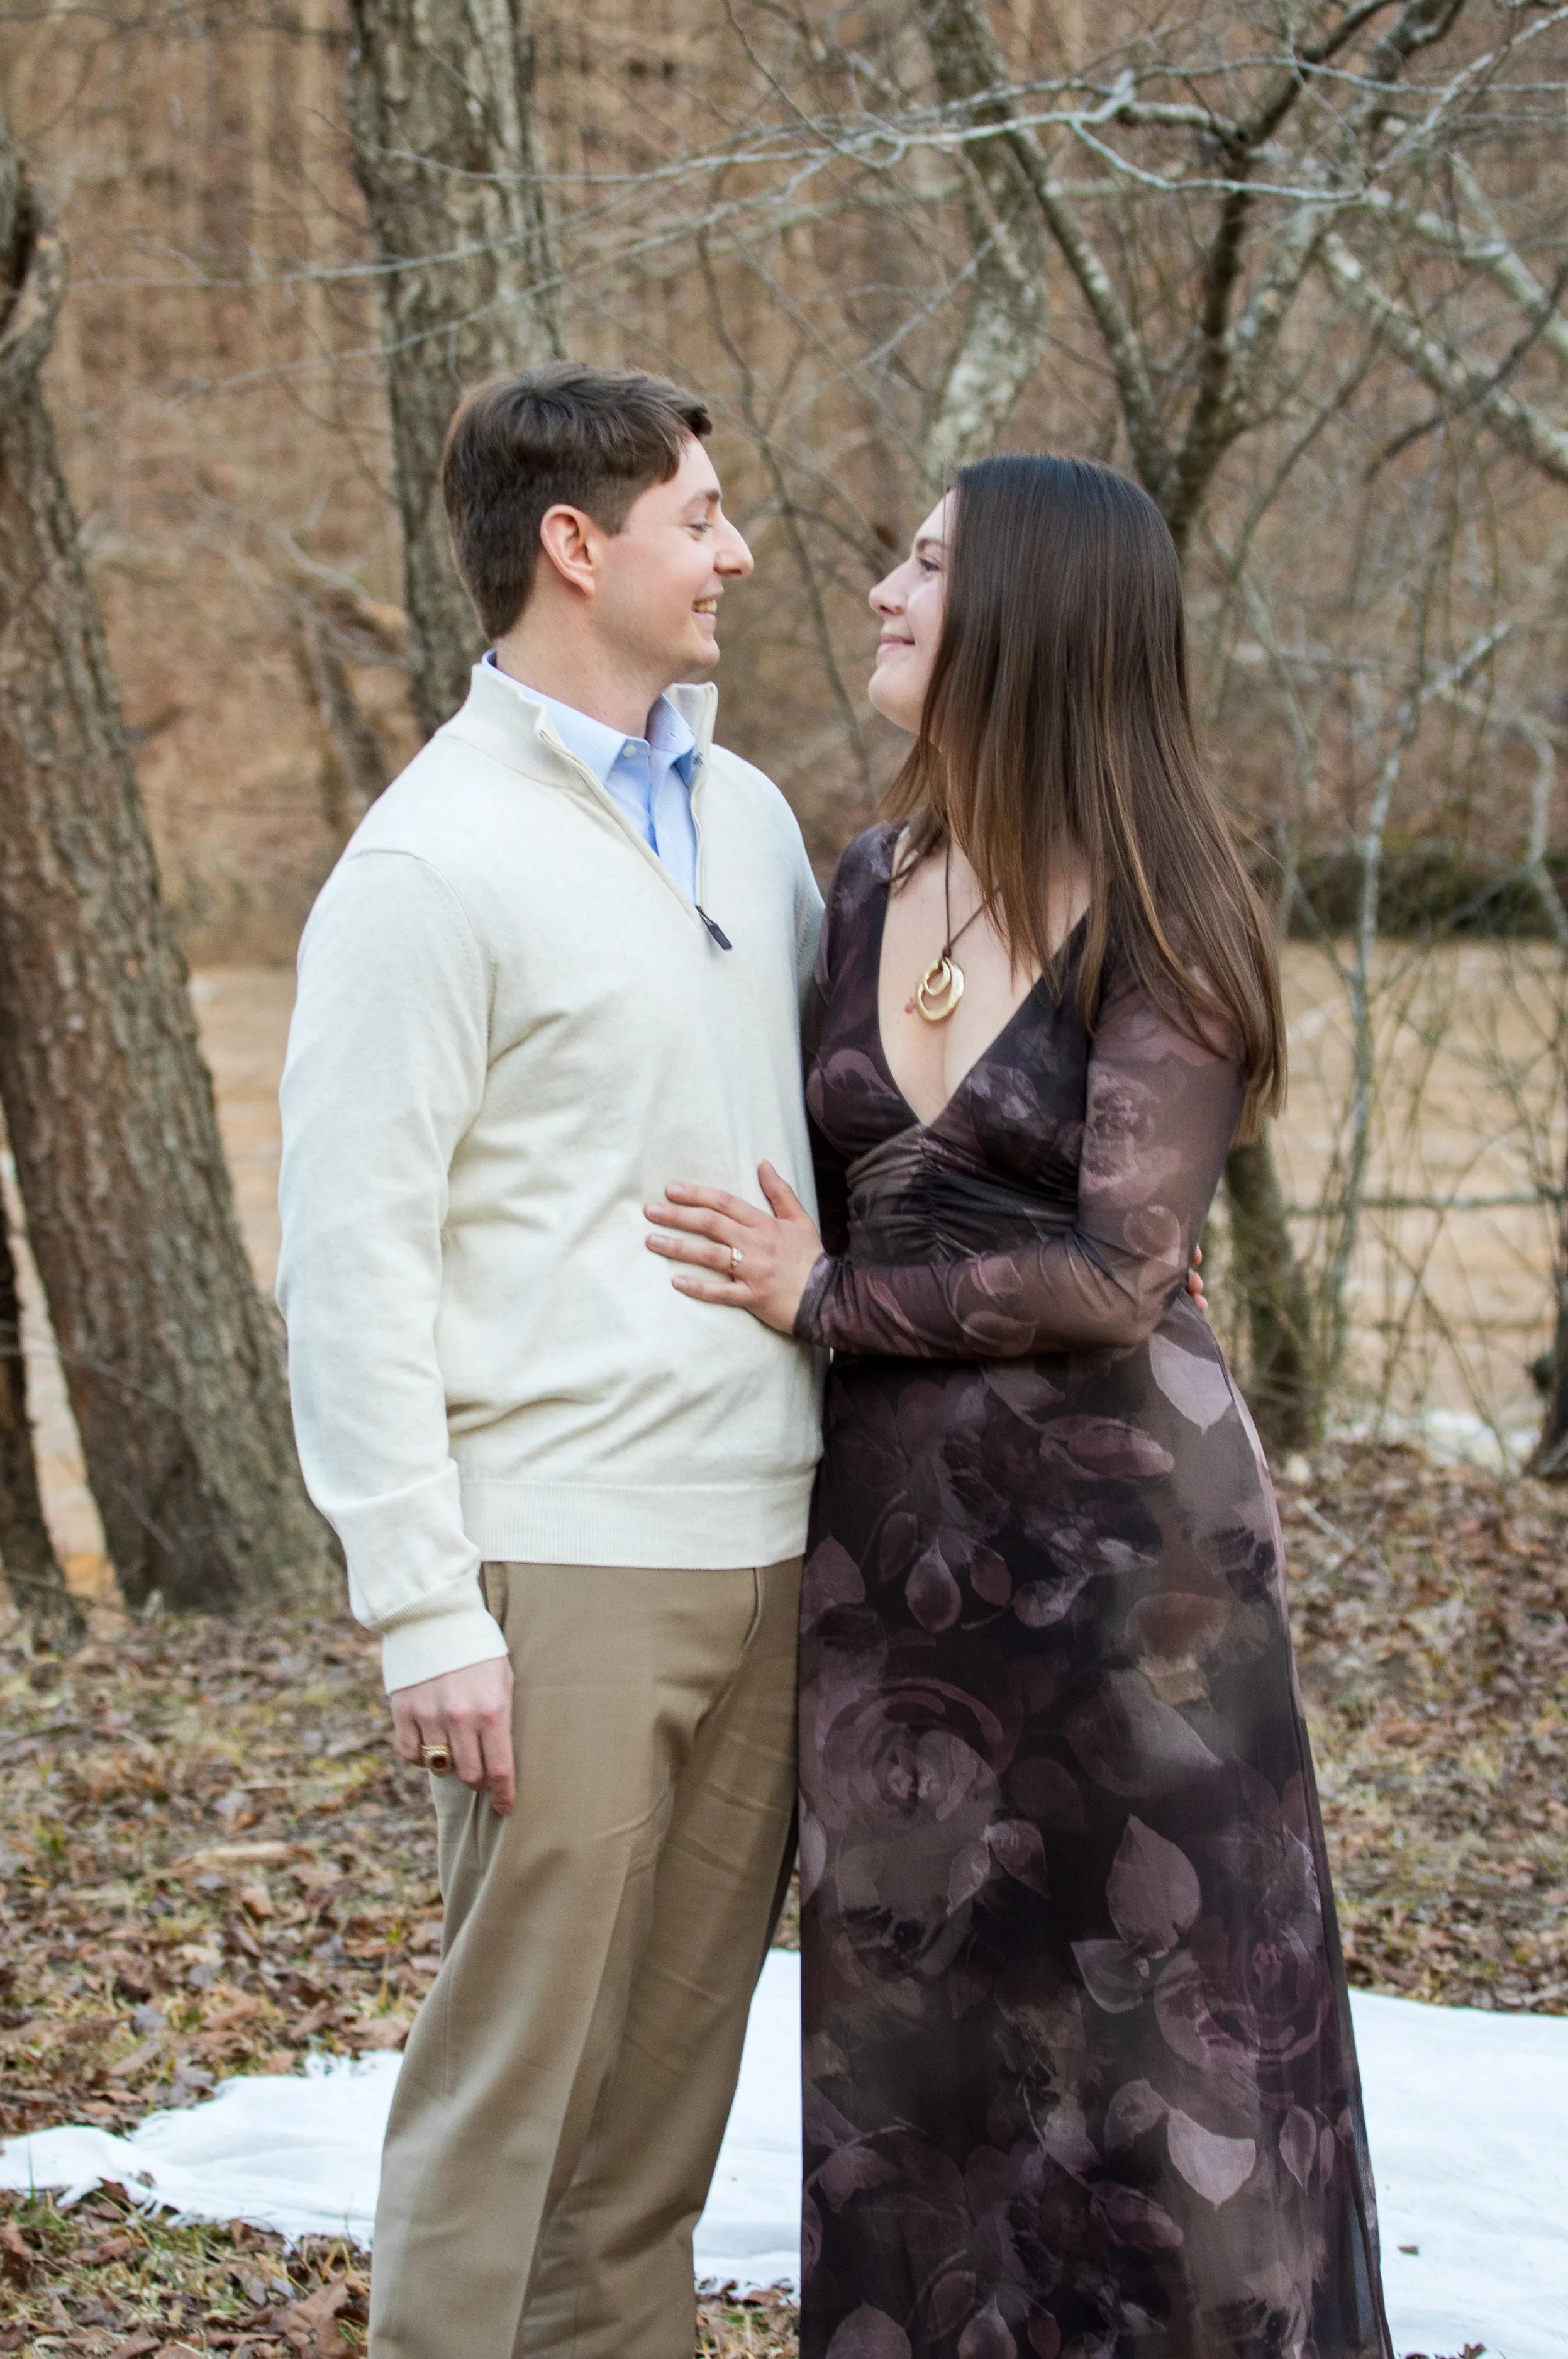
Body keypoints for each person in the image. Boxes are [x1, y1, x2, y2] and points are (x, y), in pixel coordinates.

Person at [645, 455, 1394, 2358]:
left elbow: (1112, 1270)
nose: (882, 589)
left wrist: (823, 1295)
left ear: (1039, 616)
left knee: (1158, 2044)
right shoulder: (860, 875)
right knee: (920, 2054)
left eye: (925, 564)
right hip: (893, 1570)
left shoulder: (1168, 901)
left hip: (1131, 1583)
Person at [275, 362, 826, 2359]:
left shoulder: (754, 821)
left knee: (653, 2143)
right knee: (516, 2107)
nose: (738, 550)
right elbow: (346, 1261)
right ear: (573, 547)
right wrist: (424, 1602)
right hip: (560, 1564)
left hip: (771, 1549)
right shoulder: (430, 864)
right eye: (700, 513)